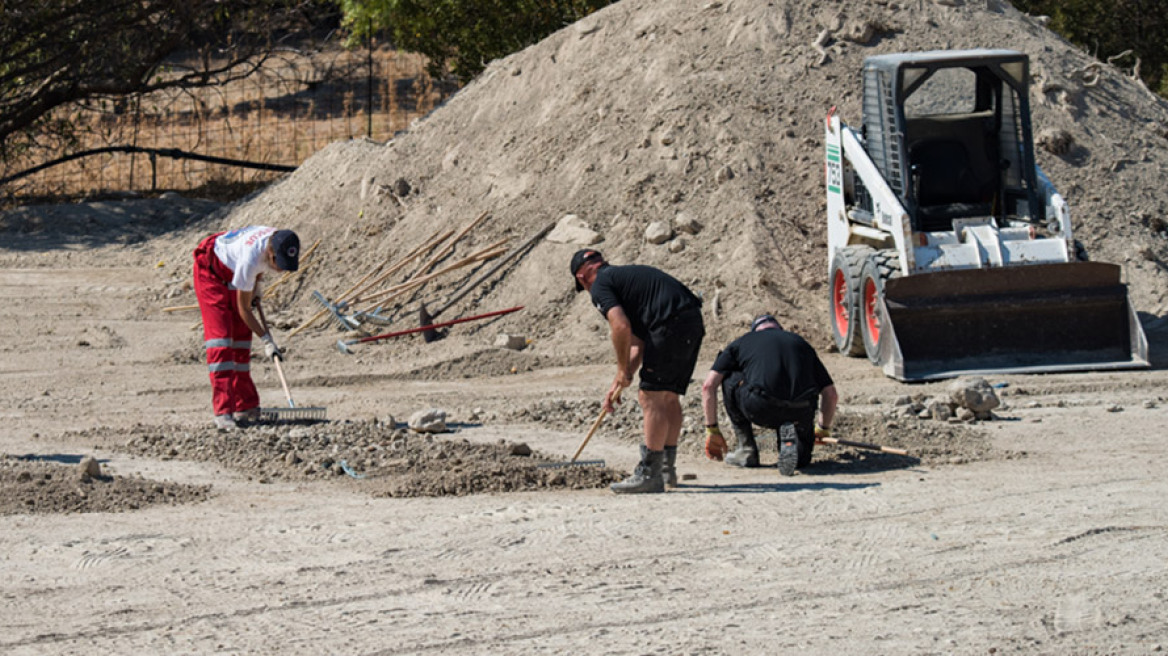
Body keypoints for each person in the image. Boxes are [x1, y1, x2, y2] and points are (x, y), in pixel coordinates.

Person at [570, 249, 705, 494]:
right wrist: (622, 378)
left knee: (650, 397)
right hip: (690, 321)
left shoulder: (600, 284)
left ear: (582, 277)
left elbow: (620, 326)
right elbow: (639, 344)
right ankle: (666, 470)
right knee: (668, 396)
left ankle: (650, 474)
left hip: (668, 325)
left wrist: (622, 370)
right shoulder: (627, 278)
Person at [700, 313, 838, 476]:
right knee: (801, 453)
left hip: (761, 406)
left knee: (729, 376)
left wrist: (712, 429)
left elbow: (708, 386)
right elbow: (830, 394)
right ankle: (795, 449)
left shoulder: (742, 342)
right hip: (801, 410)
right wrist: (822, 428)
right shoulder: (801, 344)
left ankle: (746, 448)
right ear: (780, 329)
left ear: (755, 331)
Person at [193, 226, 300, 431]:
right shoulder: (251, 258)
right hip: (210, 272)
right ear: (271, 254)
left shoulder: (278, 240)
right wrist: (267, 340)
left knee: (242, 340)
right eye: (280, 264)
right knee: (221, 342)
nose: (280, 270)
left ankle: (246, 406)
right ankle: (223, 413)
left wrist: (255, 287)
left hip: (232, 268)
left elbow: (257, 271)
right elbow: (244, 310)